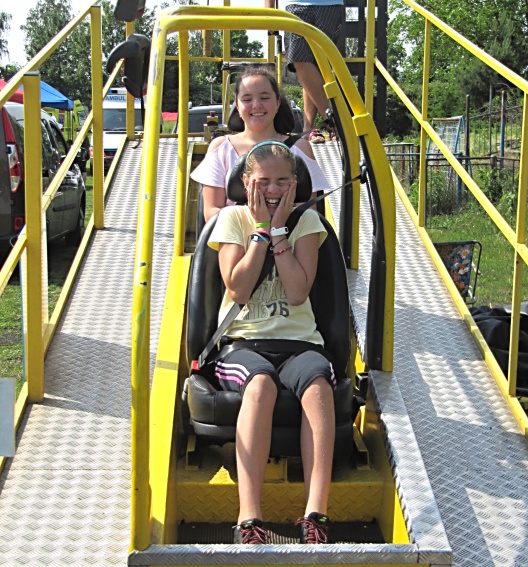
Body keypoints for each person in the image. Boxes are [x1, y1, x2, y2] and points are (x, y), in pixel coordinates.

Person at [208, 141, 335, 544]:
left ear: (296, 184)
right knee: (260, 384)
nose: (274, 190)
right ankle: (250, 518)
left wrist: (280, 232)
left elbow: (297, 293)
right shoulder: (231, 219)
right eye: (264, 181)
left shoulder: (307, 222)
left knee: (318, 385)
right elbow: (238, 289)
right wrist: (261, 231)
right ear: (246, 182)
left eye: (283, 181)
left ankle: (315, 515)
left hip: (300, 342)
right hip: (245, 342)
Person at [191, 67, 329, 222]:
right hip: (234, 234)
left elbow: (308, 213)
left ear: (278, 103)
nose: (256, 105)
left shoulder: (300, 149)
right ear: (237, 106)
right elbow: (211, 212)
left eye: (264, 98)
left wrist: (274, 229)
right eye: (247, 99)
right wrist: (257, 226)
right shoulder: (221, 148)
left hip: (290, 234)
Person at [266, 0, 344, 142]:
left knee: (316, 67)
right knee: (300, 61)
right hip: (297, 5)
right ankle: (333, 122)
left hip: (330, 5)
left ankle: (309, 129)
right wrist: (269, 11)